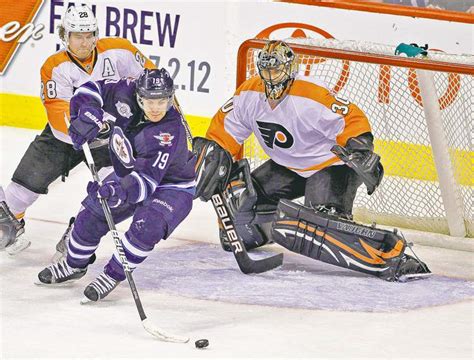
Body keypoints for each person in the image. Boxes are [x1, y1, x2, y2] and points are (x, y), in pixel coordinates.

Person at [193, 40, 430, 281]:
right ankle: (273, 228)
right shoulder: (249, 94)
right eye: (266, 70)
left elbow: (351, 118)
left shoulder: (309, 96)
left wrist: (359, 148)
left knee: (320, 224)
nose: (271, 76)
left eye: (277, 70)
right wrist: (216, 153)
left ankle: (390, 254)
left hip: (330, 166)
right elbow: (226, 127)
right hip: (287, 166)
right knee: (240, 207)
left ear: (290, 69)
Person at [0, 5, 155, 256]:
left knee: (115, 192)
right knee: (23, 188)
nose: (85, 42)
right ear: (65, 36)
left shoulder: (119, 51)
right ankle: (12, 225)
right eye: (77, 36)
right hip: (64, 138)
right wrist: (84, 127)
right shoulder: (54, 66)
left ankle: (79, 232)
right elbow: (57, 111)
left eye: (89, 35)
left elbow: (151, 78)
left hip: (110, 138)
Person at [36, 68, 196, 302]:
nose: (155, 108)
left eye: (162, 101)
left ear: (170, 99)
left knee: (146, 227)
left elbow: (145, 183)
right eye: (149, 101)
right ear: (138, 96)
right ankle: (73, 265)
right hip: (133, 172)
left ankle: (111, 276)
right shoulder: (125, 91)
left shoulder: (169, 131)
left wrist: (117, 191)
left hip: (172, 186)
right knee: (92, 211)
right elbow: (91, 89)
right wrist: (87, 112)